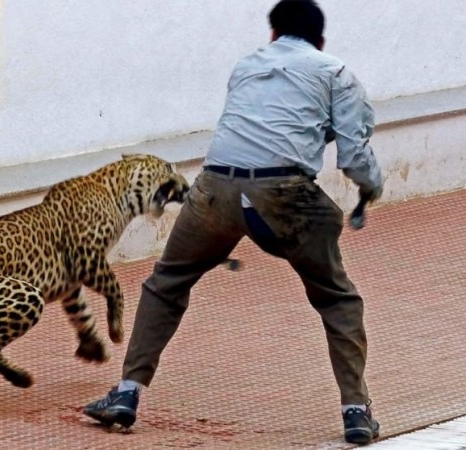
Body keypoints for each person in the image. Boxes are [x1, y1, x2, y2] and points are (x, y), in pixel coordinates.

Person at [82, 0, 384, 445]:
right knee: (337, 299)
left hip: (214, 190)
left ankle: (126, 394)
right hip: (286, 197)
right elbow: (355, 155)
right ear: (320, 40)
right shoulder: (336, 72)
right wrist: (370, 188)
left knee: (165, 285)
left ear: (273, 34)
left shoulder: (246, 67)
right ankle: (356, 411)